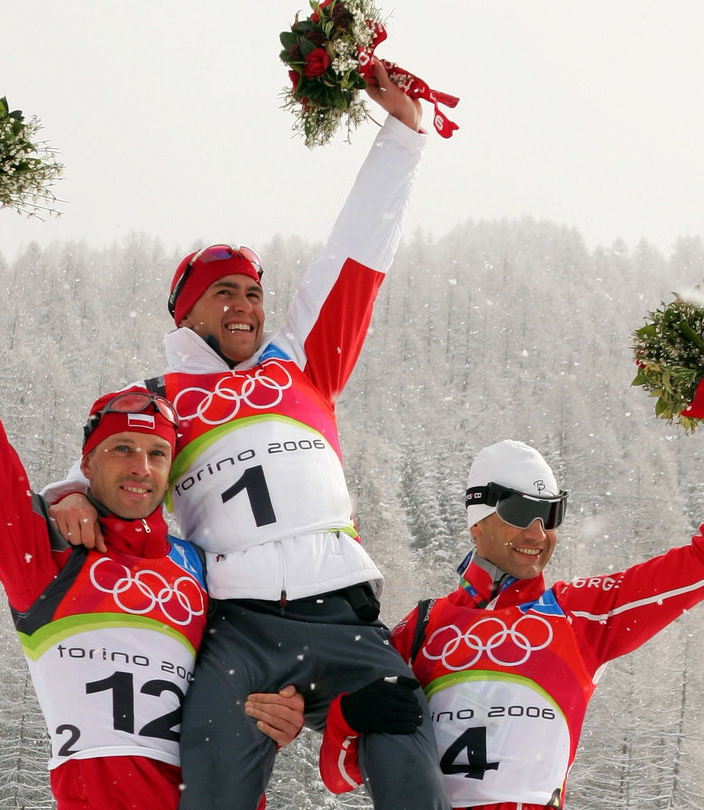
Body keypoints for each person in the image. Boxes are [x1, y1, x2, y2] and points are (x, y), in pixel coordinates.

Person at [46, 61, 452, 810]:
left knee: (409, 762)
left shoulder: (302, 363)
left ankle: (356, 726)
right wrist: (66, 493)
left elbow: (355, 255)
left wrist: (403, 136)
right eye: (223, 294)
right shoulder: (163, 399)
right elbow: (107, 467)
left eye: (255, 294)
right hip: (242, 629)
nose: (245, 307)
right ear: (187, 314)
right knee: (209, 779)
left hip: (342, 613)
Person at [0, 178, 304, 810]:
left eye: (158, 454)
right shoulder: (48, 556)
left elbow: (271, 664)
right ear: (87, 464)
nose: (142, 467)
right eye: (122, 449)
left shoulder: (203, 565)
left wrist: (283, 709)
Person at [318, 370, 704, 809]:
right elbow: (341, 774)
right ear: (477, 520)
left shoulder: (579, 615)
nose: (538, 534)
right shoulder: (422, 628)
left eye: (552, 515)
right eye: (522, 512)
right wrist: (349, 717)